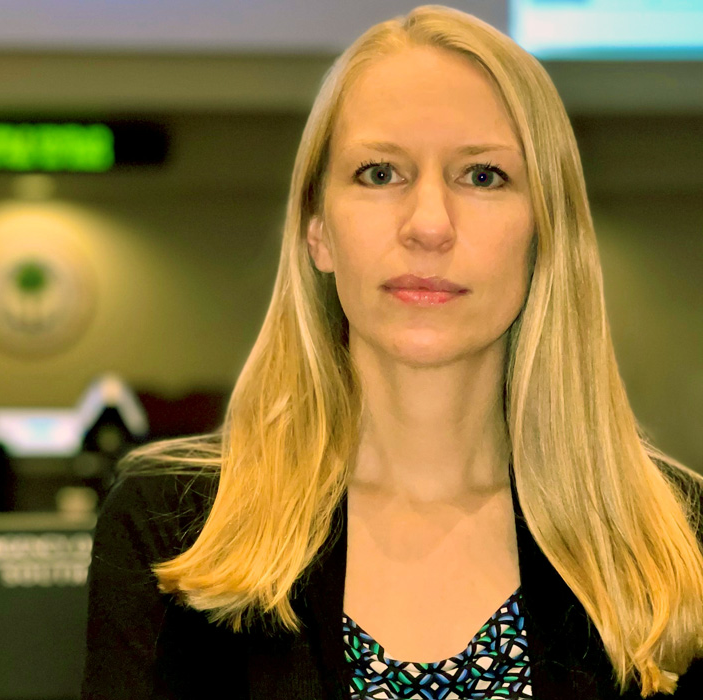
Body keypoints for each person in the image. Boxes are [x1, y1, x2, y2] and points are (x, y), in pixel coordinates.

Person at [80, 5, 703, 699]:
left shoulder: (672, 539)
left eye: (483, 176)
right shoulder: (176, 525)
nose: (429, 225)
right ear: (317, 228)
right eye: (380, 174)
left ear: (545, 232)